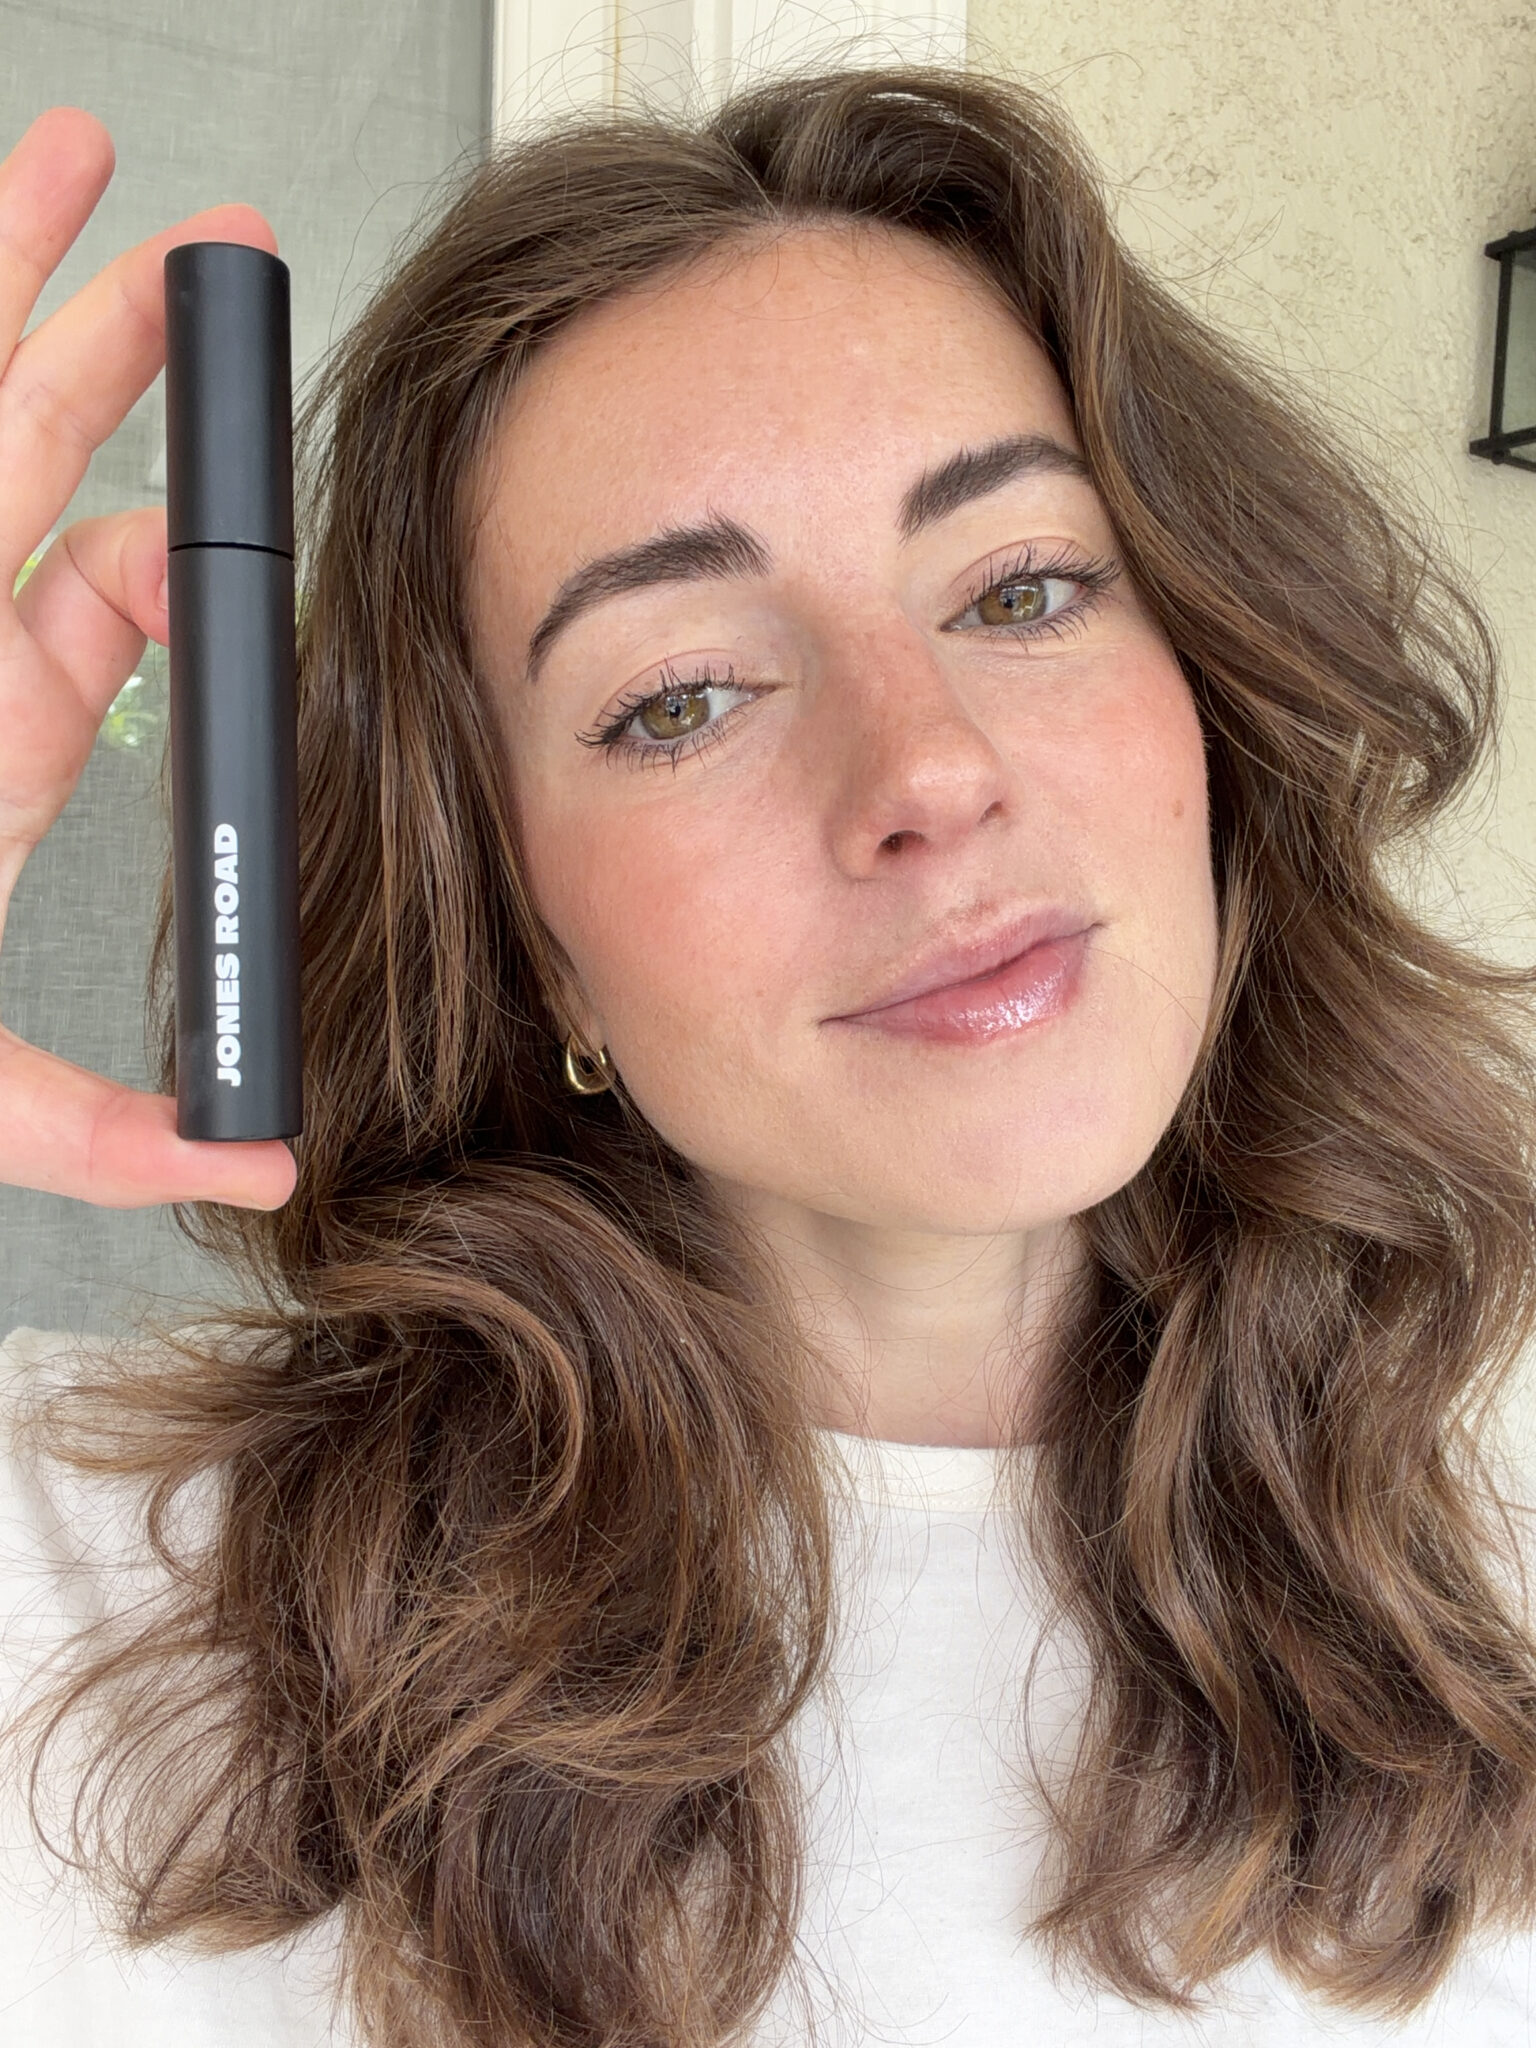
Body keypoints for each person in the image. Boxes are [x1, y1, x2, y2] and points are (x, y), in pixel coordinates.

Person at [3, 61, 1536, 2048]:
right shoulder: (88, 1611)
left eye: (1023, 585)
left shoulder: (1492, 1563)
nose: (928, 770)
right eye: (683, 696)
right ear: (527, 938)